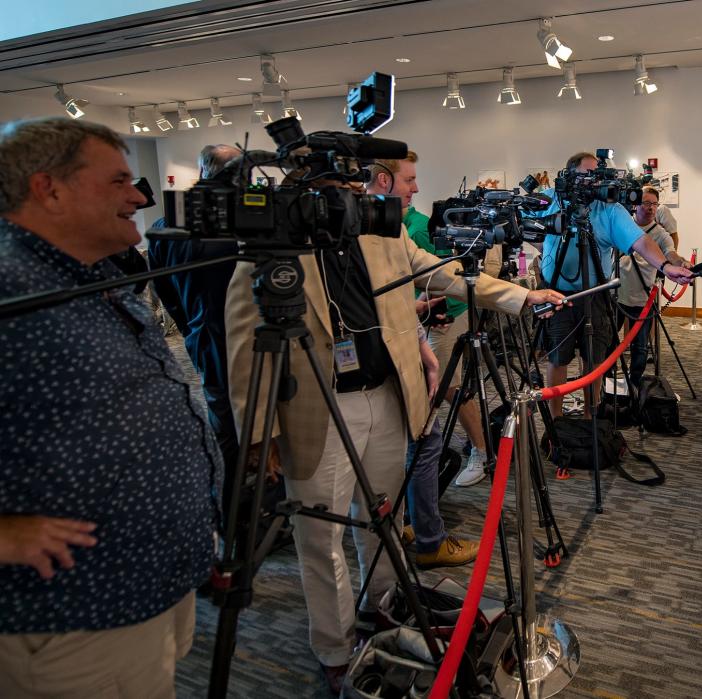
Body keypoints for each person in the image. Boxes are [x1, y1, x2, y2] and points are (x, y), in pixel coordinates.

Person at [225, 158, 565, 692]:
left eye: (352, 190)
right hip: (317, 412)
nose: (350, 201)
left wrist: (520, 296)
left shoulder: (381, 235)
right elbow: (244, 349)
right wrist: (260, 434)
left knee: (385, 517)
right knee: (321, 537)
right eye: (336, 193)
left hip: (384, 397)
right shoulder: (271, 254)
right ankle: (335, 649)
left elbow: (445, 272)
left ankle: (383, 605)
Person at [0, 117, 220, 694]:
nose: (137, 196)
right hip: (77, 608)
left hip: (148, 581)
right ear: (49, 189)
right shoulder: (9, 287)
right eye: (119, 180)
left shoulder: (86, 274)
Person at [540, 151, 693, 419]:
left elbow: (641, 242)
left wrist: (666, 267)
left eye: (596, 175)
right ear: (569, 176)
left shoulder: (608, 208)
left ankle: (591, 416)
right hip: (557, 294)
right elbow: (527, 227)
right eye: (587, 175)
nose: (593, 182)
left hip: (597, 294)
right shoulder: (552, 201)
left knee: (595, 357)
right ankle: (555, 419)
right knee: (557, 356)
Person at [395, 151, 500, 488]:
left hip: (444, 317)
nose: (415, 187)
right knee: (449, 385)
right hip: (422, 317)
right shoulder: (393, 226)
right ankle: (475, 447)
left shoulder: (416, 228)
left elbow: (440, 274)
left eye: (413, 180)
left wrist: (432, 308)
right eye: (409, 180)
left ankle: (480, 452)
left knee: (446, 386)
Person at [149, 143, 243, 472]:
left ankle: (232, 501)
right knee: (243, 426)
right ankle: (237, 503)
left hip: (201, 336)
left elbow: (163, 288)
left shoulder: (166, 223)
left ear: (203, 171)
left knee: (223, 419)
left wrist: (190, 328)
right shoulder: (241, 224)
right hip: (238, 338)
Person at [617, 186, 686, 390]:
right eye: (646, 203)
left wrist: (679, 262)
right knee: (609, 344)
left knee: (640, 348)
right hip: (617, 295)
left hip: (643, 298)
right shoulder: (624, 226)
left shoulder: (660, 234)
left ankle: (635, 386)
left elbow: (670, 253)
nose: (650, 208)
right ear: (636, 204)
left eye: (654, 204)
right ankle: (604, 384)